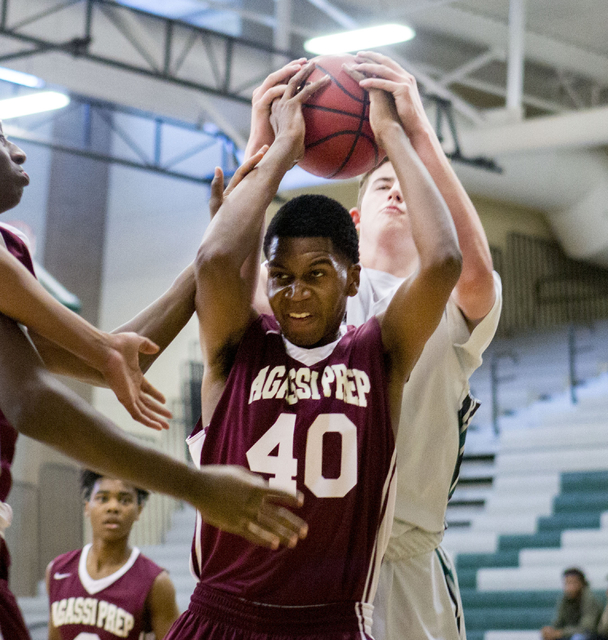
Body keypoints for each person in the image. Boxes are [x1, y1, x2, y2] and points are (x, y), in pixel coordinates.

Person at [166, 61, 462, 640]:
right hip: (221, 617)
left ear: (353, 281)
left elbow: (444, 261)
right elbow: (215, 263)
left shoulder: (378, 355)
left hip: (331, 623)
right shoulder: (237, 349)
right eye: (280, 275)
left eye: (317, 273)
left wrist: (394, 135)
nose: (295, 293)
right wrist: (279, 150)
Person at [0, 125, 306, 639]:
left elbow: (118, 358)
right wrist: (194, 484)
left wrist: (216, 244)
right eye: (0, 137)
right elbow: (31, 400)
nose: (19, 149)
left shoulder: (10, 252)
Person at [245, 52, 502, 640]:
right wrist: (261, 142)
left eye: (411, 188)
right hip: (306, 560)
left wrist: (415, 135)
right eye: (384, 182)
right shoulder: (302, 296)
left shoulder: (449, 301)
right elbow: (226, 271)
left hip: (407, 562)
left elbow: (471, 270)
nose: (399, 194)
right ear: (355, 218)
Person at [47, 470, 180, 640]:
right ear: (87, 505)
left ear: (139, 510)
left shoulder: (157, 583)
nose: (113, 507)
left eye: (124, 500)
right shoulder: (58, 570)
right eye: (102, 498)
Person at [541, 568, 602, 640]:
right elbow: (558, 622)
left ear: (581, 584)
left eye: (573, 583)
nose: (570, 587)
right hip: (571, 633)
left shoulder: (590, 599)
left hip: (592, 635)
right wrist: (550, 630)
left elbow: (587, 628)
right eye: (567, 583)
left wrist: (561, 633)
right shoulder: (564, 599)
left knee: (578, 638)